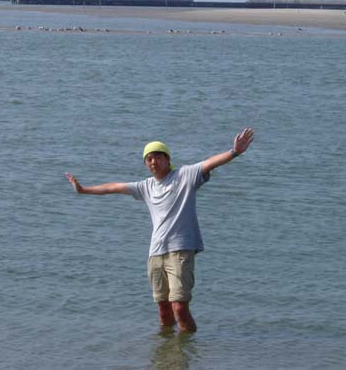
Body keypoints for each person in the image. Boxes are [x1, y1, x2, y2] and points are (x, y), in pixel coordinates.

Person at [65, 128, 254, 333]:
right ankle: (165, 347)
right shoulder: (146, 186)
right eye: (148, 159)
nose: (153, 162)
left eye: (157, 157)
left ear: (167, 159)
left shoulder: (184, 175)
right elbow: (114, 187)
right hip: (155, 253)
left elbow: (210, 163)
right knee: (163, 309)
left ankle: (187, 346)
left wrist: (234, 152)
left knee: (179, 307)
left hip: (180, 250)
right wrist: (83, 190)